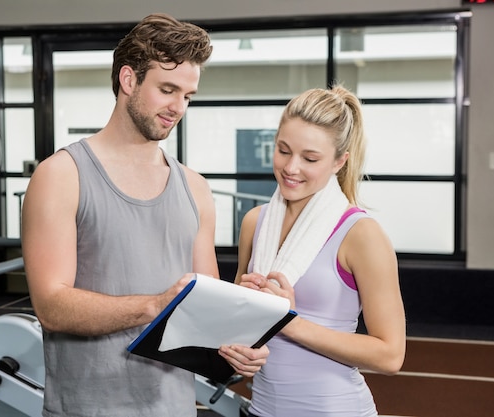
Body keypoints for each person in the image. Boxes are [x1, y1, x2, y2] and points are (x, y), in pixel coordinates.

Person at [21, 13, 268, 417]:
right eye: (167, 89)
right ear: (129, 80)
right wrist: (154, 306)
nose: (178, 107)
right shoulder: (61, 176)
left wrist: (243, 338)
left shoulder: (195, 188)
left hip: (174, 407)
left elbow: (203, 310)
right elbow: (51, 306)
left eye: (187, 95)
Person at [235, 84, 406, 417]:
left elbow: (390, 355)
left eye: (310, 158)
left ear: (339, 161)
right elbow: (240, 324)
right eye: (283, 150)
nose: (291, 167)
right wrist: (235, 348)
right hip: (261, 410)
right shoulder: (255, 223)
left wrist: (290, 323)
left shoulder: (361, 235)